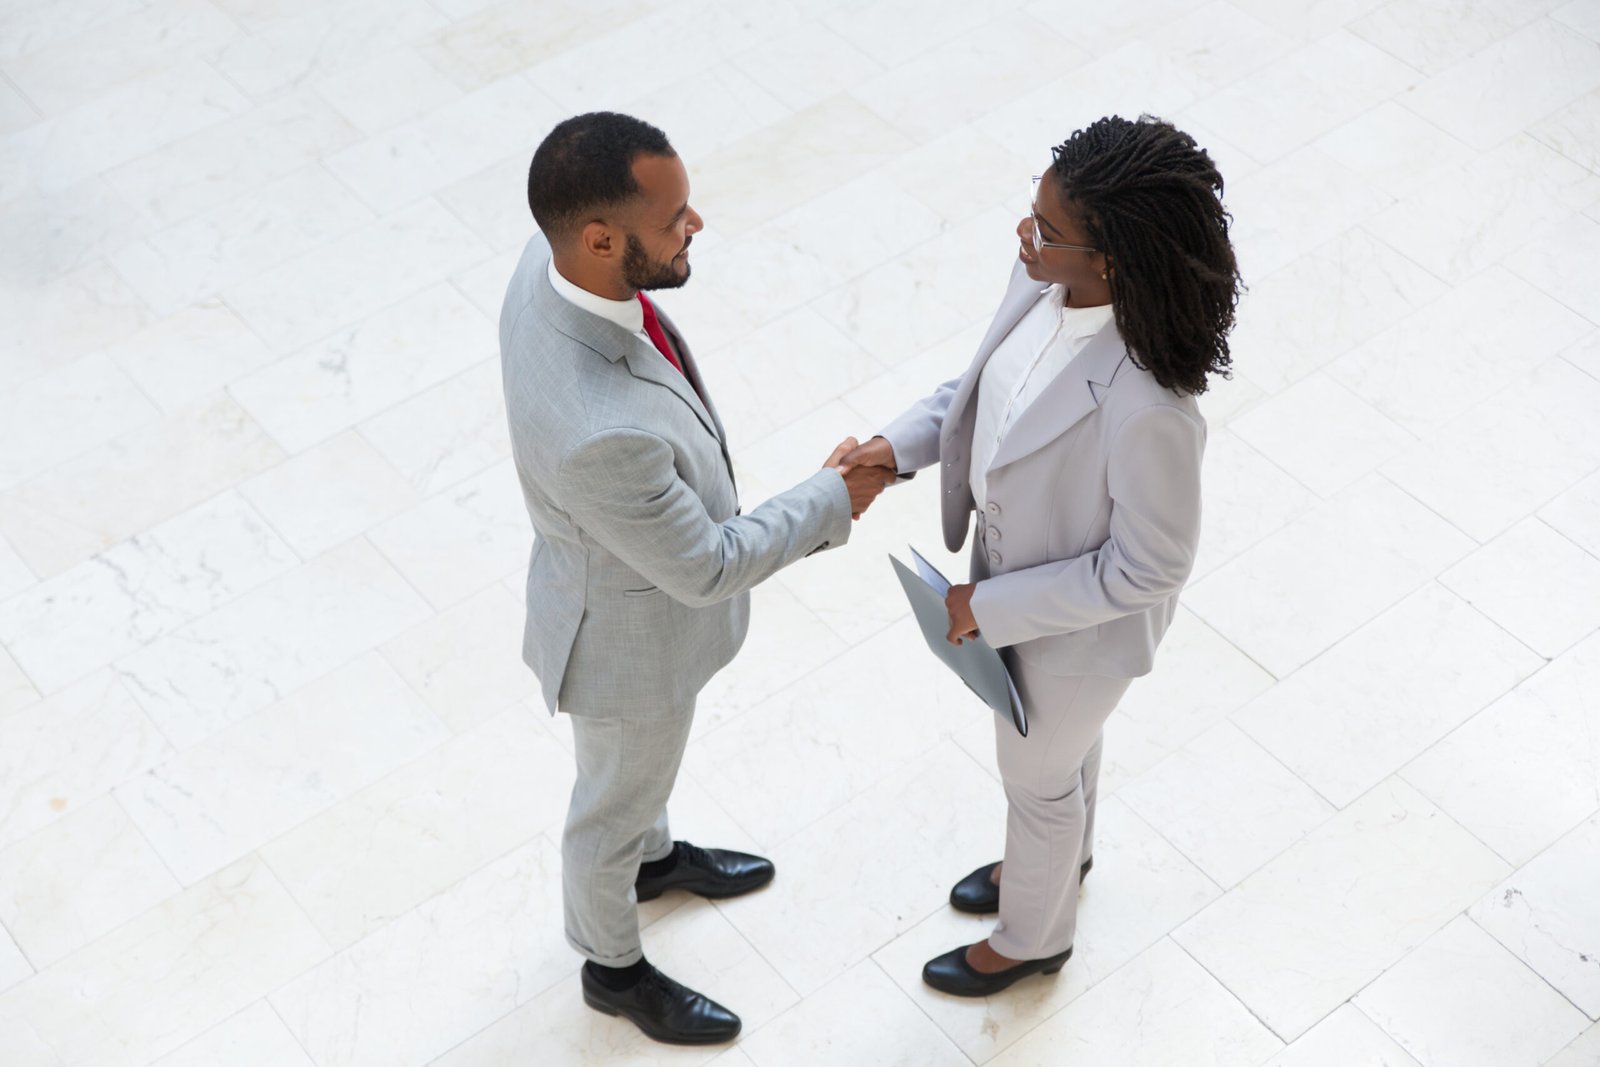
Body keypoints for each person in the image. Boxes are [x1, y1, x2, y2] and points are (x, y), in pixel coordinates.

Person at [500, 112, 892, 1044]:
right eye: (674, 217)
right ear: (599, 240)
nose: (696, 225)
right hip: (626, 644)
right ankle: (612, 964)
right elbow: (707, 566)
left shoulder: (544, 266)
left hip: (615, 591)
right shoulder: (602, 432)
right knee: (612, 801)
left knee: (638, 780)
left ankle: (657, 859)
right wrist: (834, 494)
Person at [843, 115, 1241, 997]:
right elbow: (981, 386)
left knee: (1034, 773)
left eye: (1046, 231)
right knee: (1061, 759)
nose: (1025, 236)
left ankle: (1033, 936)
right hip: (1011, 576)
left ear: (1109, 260)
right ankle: (1064, 860)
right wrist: (894, 448)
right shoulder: (1039, 285)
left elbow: (1149, 568)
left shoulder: (1151, 406)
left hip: (1074, 629)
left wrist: (987, 608)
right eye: (1032, 213)